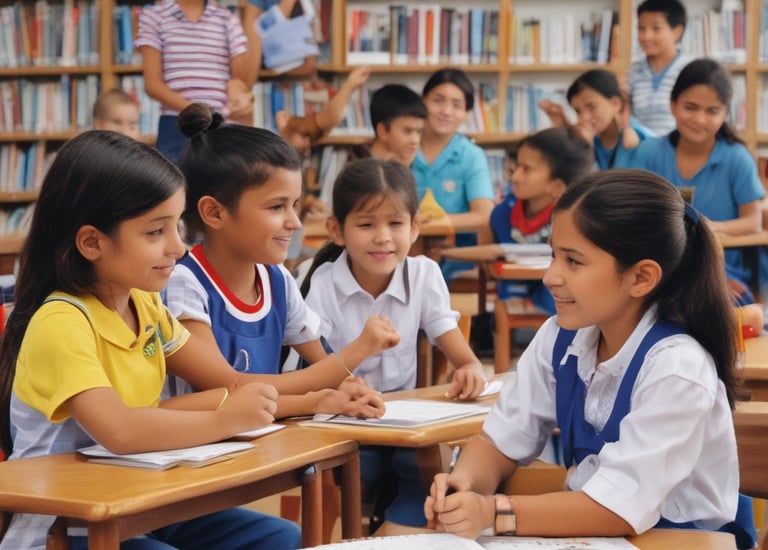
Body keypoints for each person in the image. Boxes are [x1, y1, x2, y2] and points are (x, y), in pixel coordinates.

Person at [0, 131, 301, 550]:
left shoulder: (145, 306)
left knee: (283, 539)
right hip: (67, 524)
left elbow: (223, 386)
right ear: (92, 242)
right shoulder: (61, 321)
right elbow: (122, 430)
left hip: (140, 502)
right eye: (155, 232)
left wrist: (317, 401)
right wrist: (226, 420)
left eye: (176, 226)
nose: (179, 247)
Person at [424, 169, 751, 547]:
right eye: (552, 255)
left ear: (641, 278)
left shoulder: (677, 368)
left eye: (573, 262)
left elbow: (617, 508)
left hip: (680, 542)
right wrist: (463, 483)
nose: (550, 276)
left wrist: (493, 512)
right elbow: (500, 442)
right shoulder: (559, 339)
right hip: (593, 536)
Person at [163, 103, 398, 419]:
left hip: (264, 442)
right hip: (204, 456)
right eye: (276, 207)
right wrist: (357, 351)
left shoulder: (277, 280)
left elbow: (324, 363)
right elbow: (229, 387)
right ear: (214, 212)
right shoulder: (184, 284)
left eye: (295, 205)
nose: (295, 222)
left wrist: (351, 387)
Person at [301, 157, 488, 529]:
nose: (383, 236)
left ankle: (393, 531)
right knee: (351, 472)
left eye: (396, 223)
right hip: (343, 420)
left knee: (424, 470)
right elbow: (315, 362)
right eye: (367, 224)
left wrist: (469, 366)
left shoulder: (423, 273)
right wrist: (348, 382)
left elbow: (446, 334)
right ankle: (362, 531)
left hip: (402, 422)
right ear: (337, 231)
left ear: (415, 227)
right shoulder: (320, 281)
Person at [626, 58, 765, 304]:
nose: (700, 119)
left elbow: (753, 222)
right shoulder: (648, 153)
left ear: (725, 113)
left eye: (712, 111)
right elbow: (633, 213)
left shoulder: (737, 158)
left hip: (720, 272)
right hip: (661, 266)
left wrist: (713, 228)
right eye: (690, 107)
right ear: (672, 104)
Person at [478, 125, 593, 315]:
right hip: (511, 299)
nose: (515, 176)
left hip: (562, 308)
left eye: (527, 169)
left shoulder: (577, 220)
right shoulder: (502, 213)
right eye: (516, 167)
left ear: (556, 186)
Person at [135, 0, 258, 162]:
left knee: (222, 185)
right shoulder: (153, 17)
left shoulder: (227, 19)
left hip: (220, 126)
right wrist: (199, 112)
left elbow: (239, 80)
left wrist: (240, 96)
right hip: (177, 123)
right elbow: (153, 85)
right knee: (177, 183)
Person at [412, 68, 495, 280]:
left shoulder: (472, 155)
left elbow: (483, 215)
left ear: (467, 112)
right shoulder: (405, 145)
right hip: (405, 247)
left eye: (457, 105)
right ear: (423, 102)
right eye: (438, 100)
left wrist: (428, 223)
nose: (446, 111)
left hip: (455, 257)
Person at [539, 69, 652, 170]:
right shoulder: (591, 140)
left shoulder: (638, 137)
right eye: (578, 111)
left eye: (591, 107)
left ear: (616, 104)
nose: (584, 117)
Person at [628, 0, 691, 136]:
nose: (646, 36)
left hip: (678, 149)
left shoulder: (690, 69)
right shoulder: (633, 71)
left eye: (656, 29)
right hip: (641, 149)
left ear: (677, 32)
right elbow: (627, 117)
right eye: (641, 29)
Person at [351, 83, 426, 166]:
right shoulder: (358, 174)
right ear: (382, 131)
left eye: (419, 132)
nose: (415, 140)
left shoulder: (412, 168)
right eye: (407, 131)